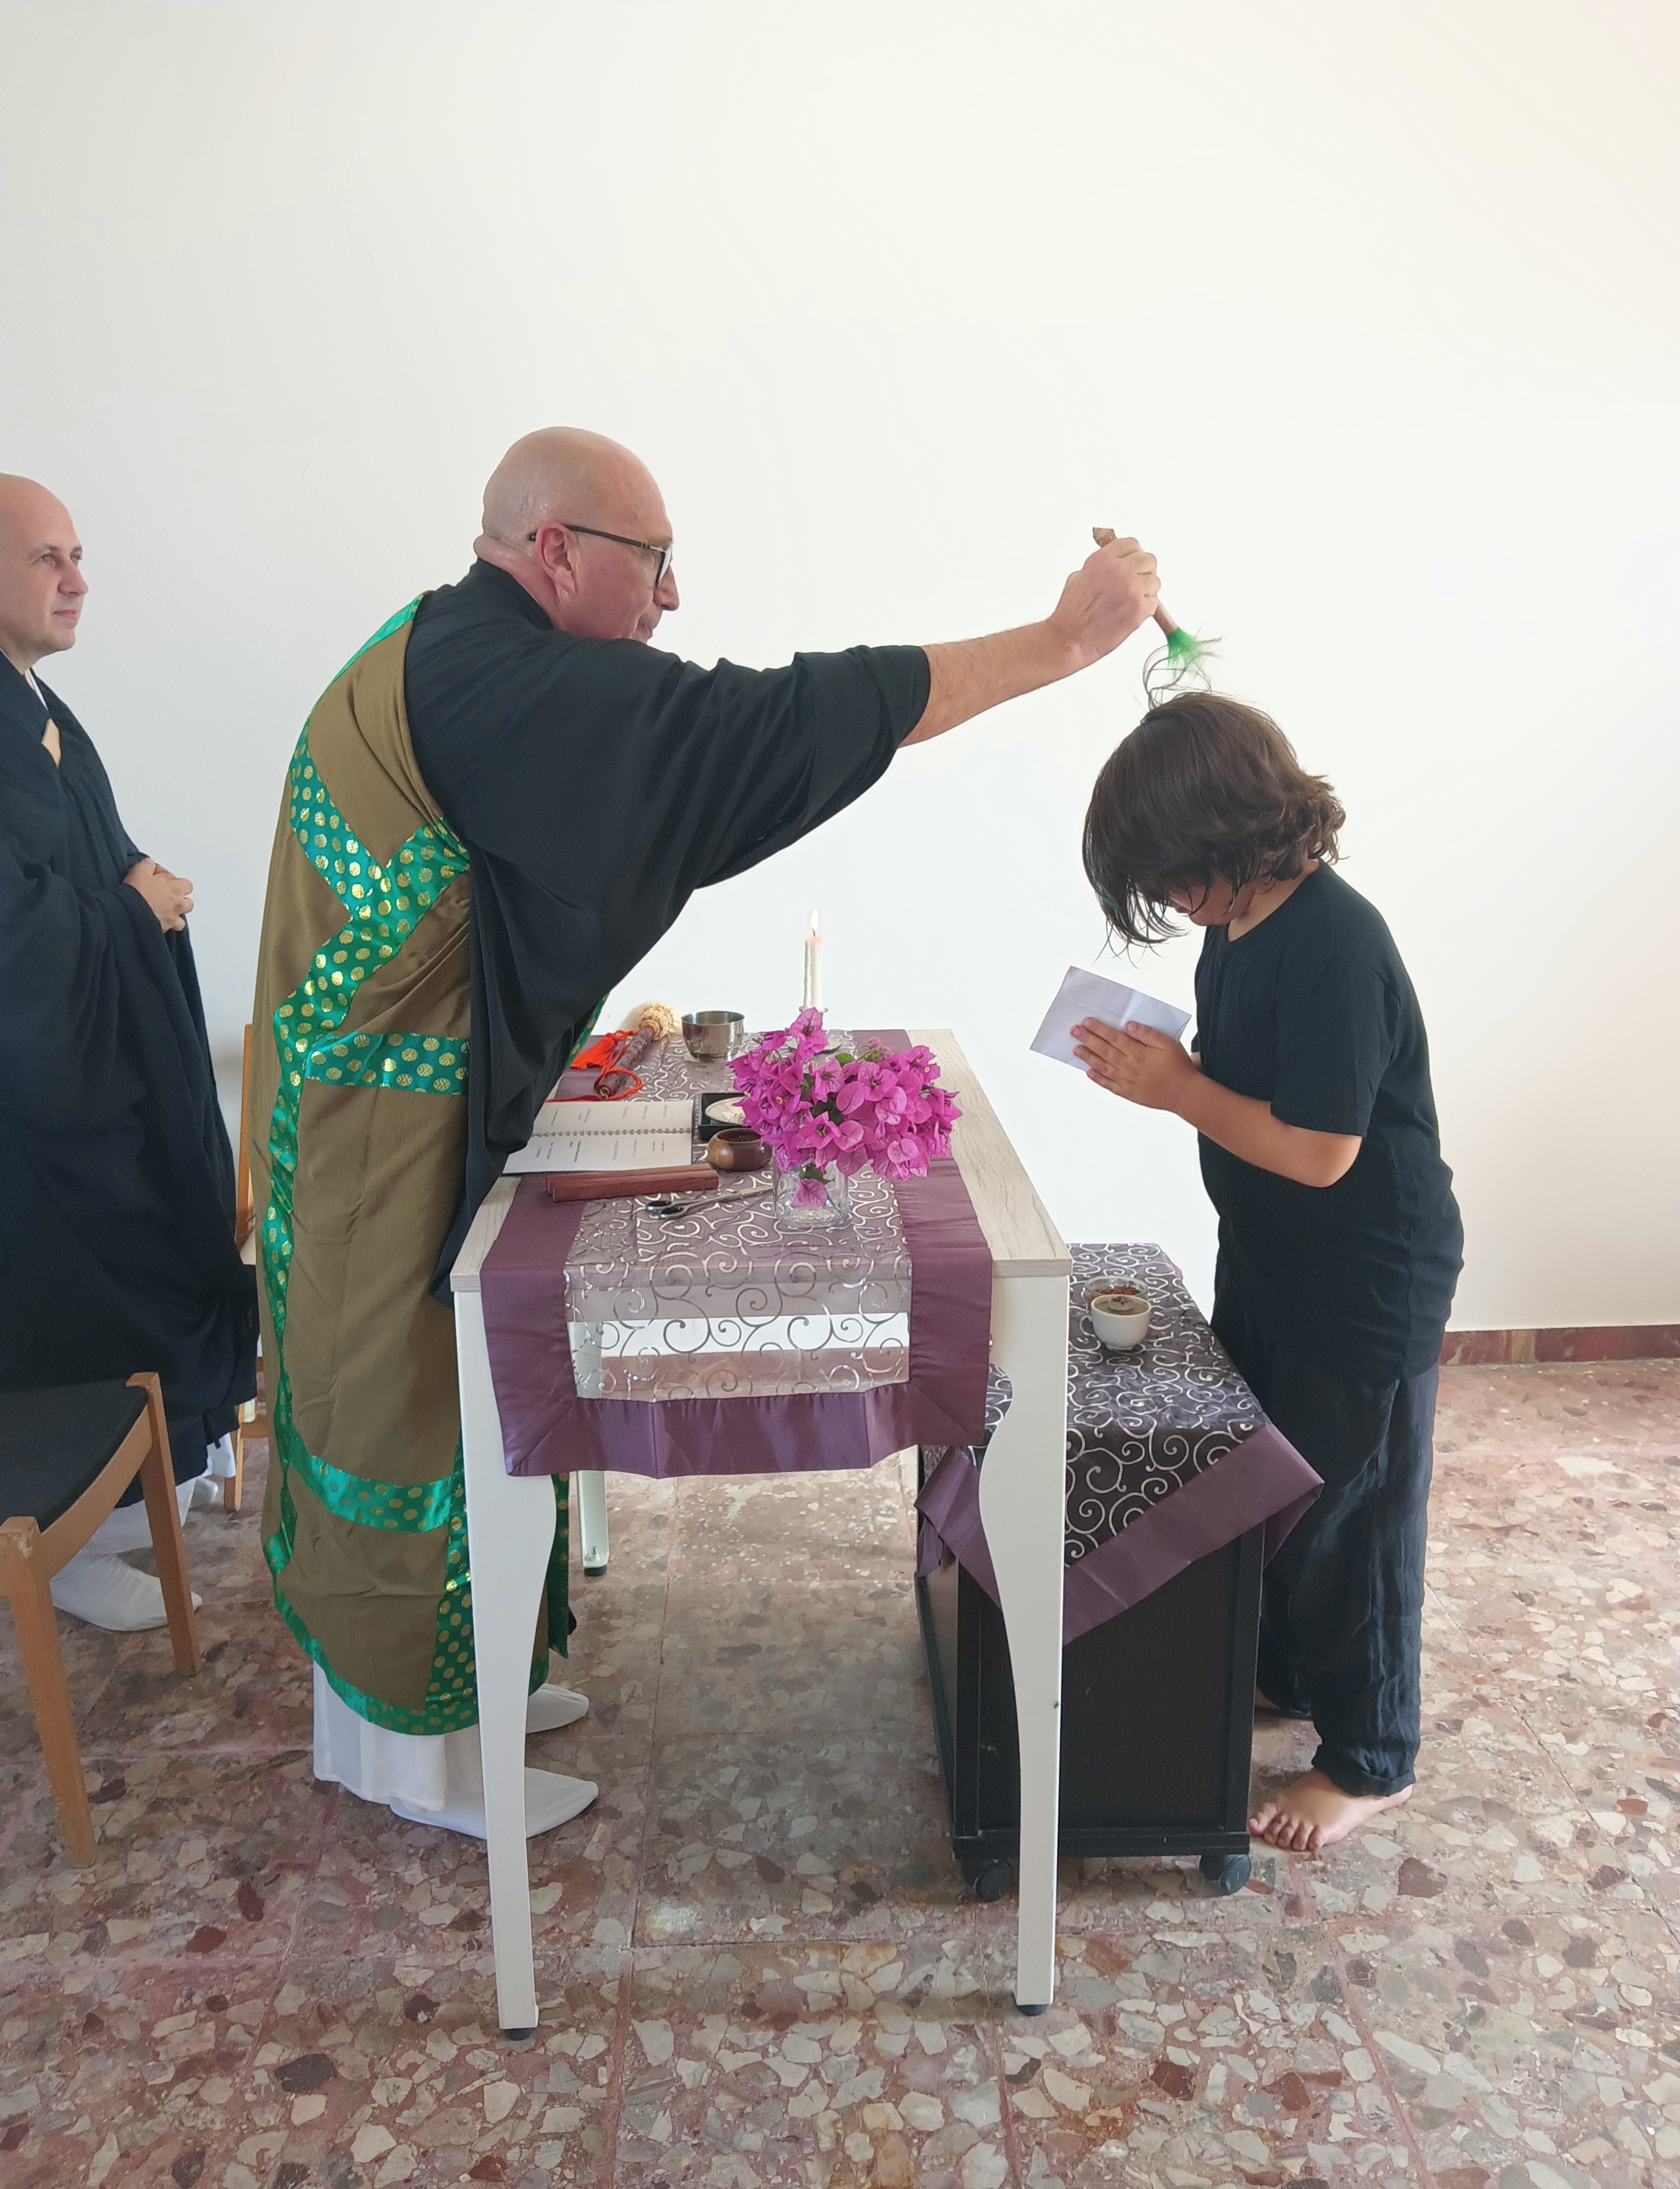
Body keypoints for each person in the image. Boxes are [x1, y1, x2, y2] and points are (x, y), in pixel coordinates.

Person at [252, 424, 1160, 1838]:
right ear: (556, 551)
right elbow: (758, 728)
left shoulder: (456, 645)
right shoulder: (494, 678)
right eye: (655, 561)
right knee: (401, 1406)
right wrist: (1056, 645)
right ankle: (407, 1754)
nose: (671, 598)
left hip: (394, 1084)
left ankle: (473, 1692)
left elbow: (693, 756)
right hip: (381, 1120)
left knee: (454, 1390)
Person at [1073, 690, 1462, 1850]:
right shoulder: (1236, 925)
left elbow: (1320, 1150)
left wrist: (1177, 1091)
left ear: (1234, 835)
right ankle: (1288, 1675)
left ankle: (1373, 1758)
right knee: (1278, 1487)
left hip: (1366, 1277)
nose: (1172, 902)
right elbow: (1247, 1083)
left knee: (1354, 1518)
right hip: (1273, 1253)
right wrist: (1167, 1067)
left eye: (1177, 877)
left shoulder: (1338, 944)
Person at [0, 473, 257, 1630]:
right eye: (48, 558)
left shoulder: (25, 700)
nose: (77, 581)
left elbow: (72, 864)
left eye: (78, 555)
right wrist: (131, 912)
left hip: (92, 1068)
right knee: (74, 1306)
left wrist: (137, 888)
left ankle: (124, 1515)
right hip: (25, 1110)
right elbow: (1, 939)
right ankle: (63, 1542)